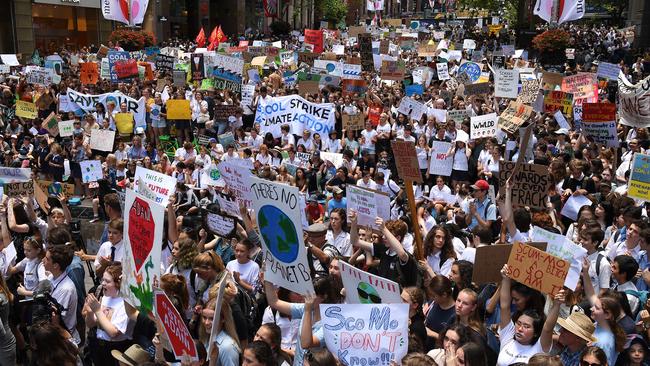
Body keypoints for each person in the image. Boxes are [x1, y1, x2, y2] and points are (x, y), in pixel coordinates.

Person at [497, 264, 561, 365]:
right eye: (518, 323)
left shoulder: (540, 348)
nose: (520, 328)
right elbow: (504, 306)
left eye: (526, 326)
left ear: (535, 332)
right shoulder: (508, 336)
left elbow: (548, 328)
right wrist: (506, 279)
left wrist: (557, 304)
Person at [83, 262, 130, 366]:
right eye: (103, 279)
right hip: (98, 346)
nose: (103, 283)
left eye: (107, 281)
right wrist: (90, 312)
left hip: (115, 349)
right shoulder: (105, 297)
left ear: (118, 284)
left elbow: (113, 333)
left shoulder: (125, 303)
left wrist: (98, 310)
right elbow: (91, 324)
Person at [44, 244, 80, 344]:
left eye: (47, 259)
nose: (43, 260)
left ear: (56, 265)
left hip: (62, 338)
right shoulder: (51, 277)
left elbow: (56, 319)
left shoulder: (66, 289)